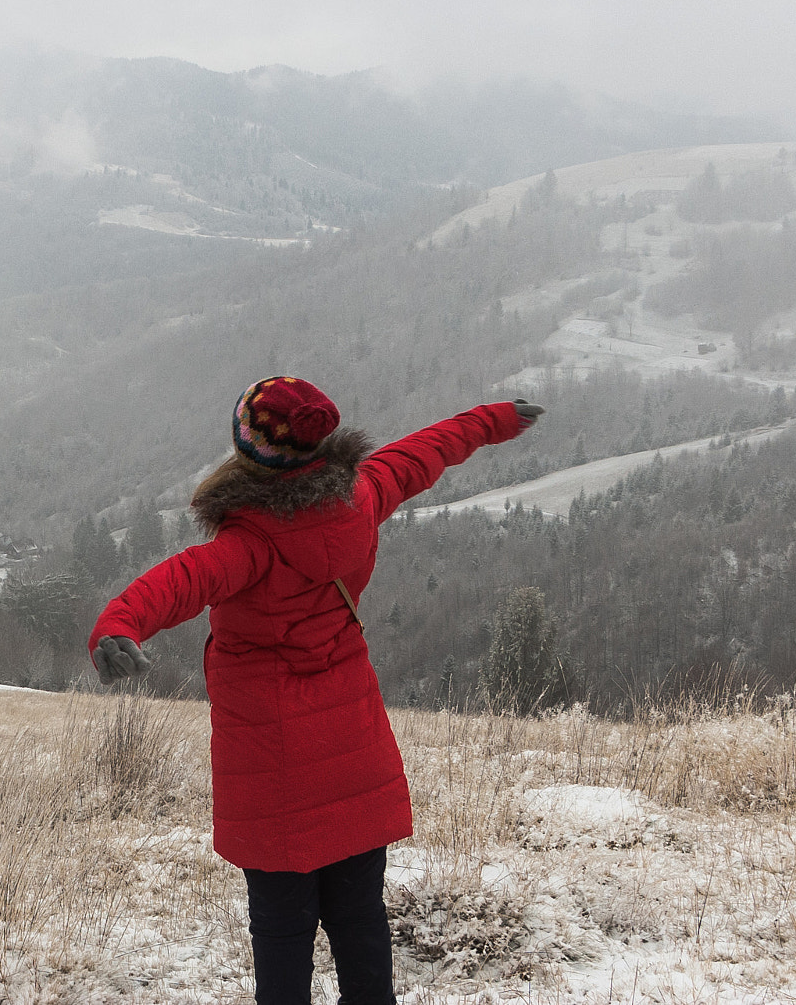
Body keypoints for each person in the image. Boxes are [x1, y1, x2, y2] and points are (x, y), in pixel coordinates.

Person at [87, 377, 543, 1005]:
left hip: (273, 775)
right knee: (360, 921)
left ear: (249, 450)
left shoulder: (248, 544)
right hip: (353, 754)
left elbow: (180, 580)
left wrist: (118, 625)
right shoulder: (364, 494)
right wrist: (492, 418)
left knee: (281, 935)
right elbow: (426, 449)